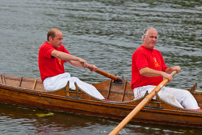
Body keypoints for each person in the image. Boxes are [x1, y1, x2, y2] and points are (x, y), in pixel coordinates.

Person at [131, 27, 199, 109]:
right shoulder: (140, 52)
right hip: (142, 89)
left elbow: (165, 71)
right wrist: (162, 73)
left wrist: (172, 69)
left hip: (159, 87)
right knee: (168, 97)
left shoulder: (157, 53)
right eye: (151, 37)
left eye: (155, 37)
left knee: (185, 94)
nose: (153, 39)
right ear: (144, 38)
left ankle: (196, 112)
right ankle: (186, 115)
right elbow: (143, 71)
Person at [38, 28, 105, 100]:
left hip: (62, 79)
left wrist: (88, 66)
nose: (61, 41)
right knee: (79, 88)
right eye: (59, 39)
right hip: (51, 81)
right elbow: (57, 54)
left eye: (62, 39)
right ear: (50, 38)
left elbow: (72, 61)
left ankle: (104, 101)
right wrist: (78, 58)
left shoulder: (61, 48)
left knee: (89, 87)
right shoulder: (45, 47)